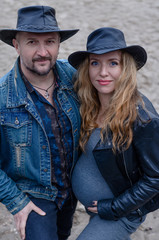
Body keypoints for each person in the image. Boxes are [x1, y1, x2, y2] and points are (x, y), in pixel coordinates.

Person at [68, 27, 159, 240]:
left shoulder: (143, 118)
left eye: (113, 63)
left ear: (125, 68)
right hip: (99, 209)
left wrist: (114, 207)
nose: (103, 72)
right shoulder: (89, 101)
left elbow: (156, 178)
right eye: (95, 63)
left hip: (122, 213)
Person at [0, 5, 81, 240]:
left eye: (50, 41)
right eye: (32, 42)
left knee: (63, 233)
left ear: (58, 44)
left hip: (72, 188)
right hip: (33, 193)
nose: (43, 52)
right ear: (16, 45)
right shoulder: (3, 96)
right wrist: (16, 202)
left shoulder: (75, 77)